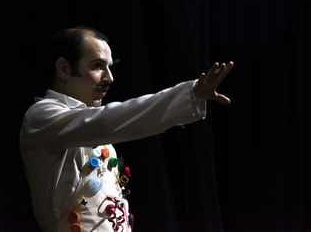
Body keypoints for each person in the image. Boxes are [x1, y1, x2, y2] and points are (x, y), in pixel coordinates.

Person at [19, 26, 234, 232]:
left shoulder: (93, 128)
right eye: (97, 66)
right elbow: (111, 119)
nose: (110, 78)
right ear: (64, 69)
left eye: (110, 67)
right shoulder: (42, 117)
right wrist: (190, 94)